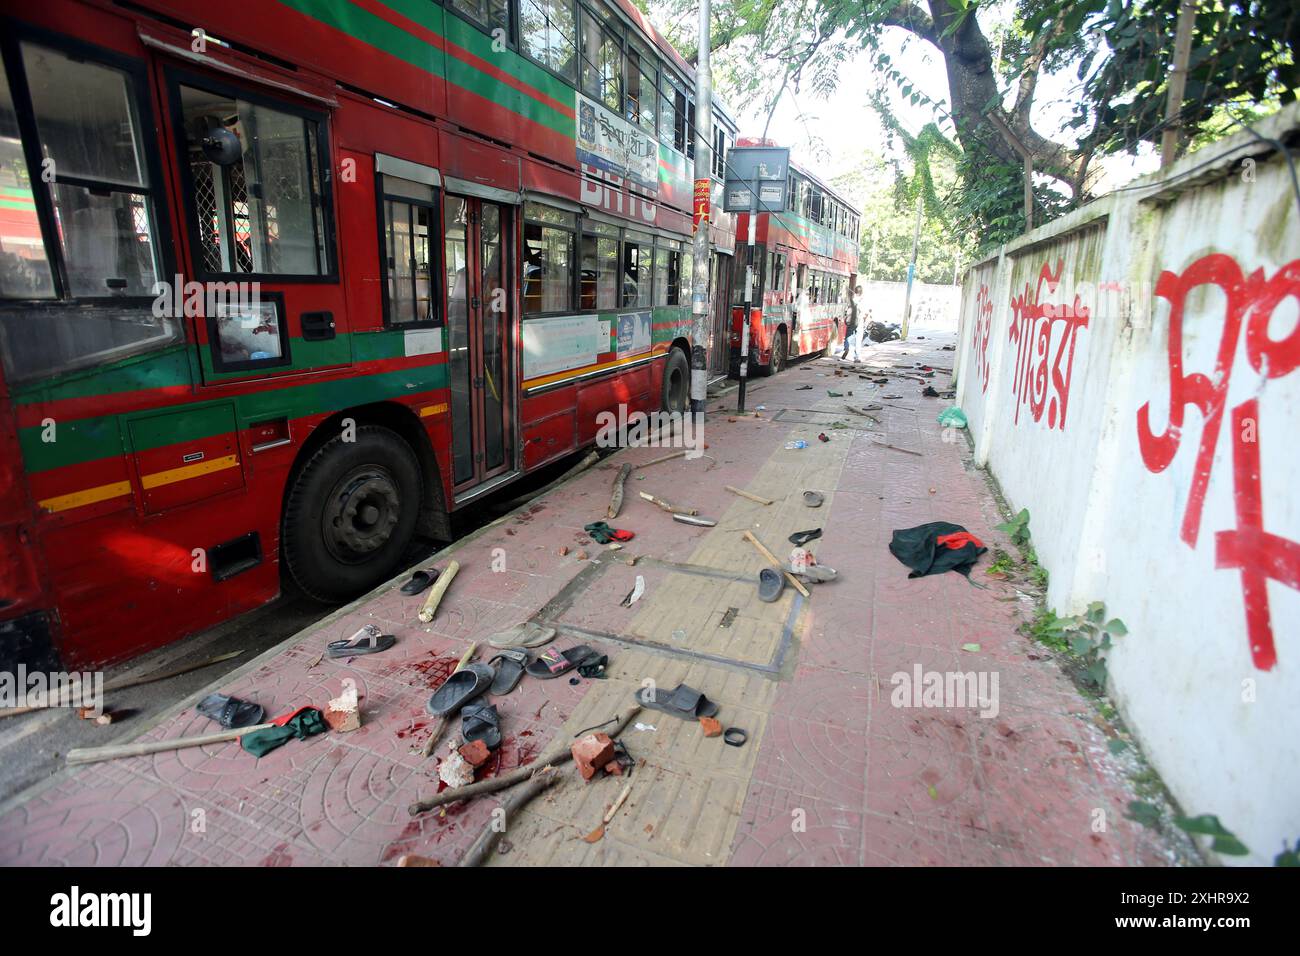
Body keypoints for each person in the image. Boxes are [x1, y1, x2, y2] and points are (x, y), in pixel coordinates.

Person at [840, 284, 863, 361]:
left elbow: (845, 310)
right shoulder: (862, 300)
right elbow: (865, 313)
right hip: (859, 322)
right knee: (858, 339)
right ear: (861, 292)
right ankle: (857, 356)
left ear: (855, 291)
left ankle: (846, 348)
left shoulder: (851, 299)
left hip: (851, 321)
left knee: (848, 336)